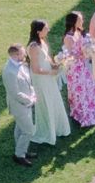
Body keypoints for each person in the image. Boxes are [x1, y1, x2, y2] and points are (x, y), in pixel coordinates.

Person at [59, 12, 95, 128]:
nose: (82, 21)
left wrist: (89, 50)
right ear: (74, 22)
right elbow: (70, 55)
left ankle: (93, 110)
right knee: (79, 89)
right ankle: (82, 113)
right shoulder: (69, 37)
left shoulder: (78, 32)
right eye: (80, 20)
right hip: (75, 68)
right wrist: (84, 53)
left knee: (89, 87)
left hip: (82, 65)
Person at [25, 20, 71, 148]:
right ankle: (47, 131)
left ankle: (57, 128)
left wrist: (55, 64)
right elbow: (35, 69)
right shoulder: (33, 47)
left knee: (54, 99)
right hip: (41, 78)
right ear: (38, 31)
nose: (48, 30)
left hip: (47, 75)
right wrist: (51, 72)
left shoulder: (42, 41)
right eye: (46, 28)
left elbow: (47, 58)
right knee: (46, 101)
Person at [2, 43, 37, 166]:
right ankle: (19, 155)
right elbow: (15, 93)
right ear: (16, 55)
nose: (25, 55)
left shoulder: (21, 65)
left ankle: (22, 150)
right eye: (22, 53)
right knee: (29, 131)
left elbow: (28, 82)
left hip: (26, 103)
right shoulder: (9, 71)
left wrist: (33, 94)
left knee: (20, 128)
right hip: (19, 106)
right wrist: (30, 100)